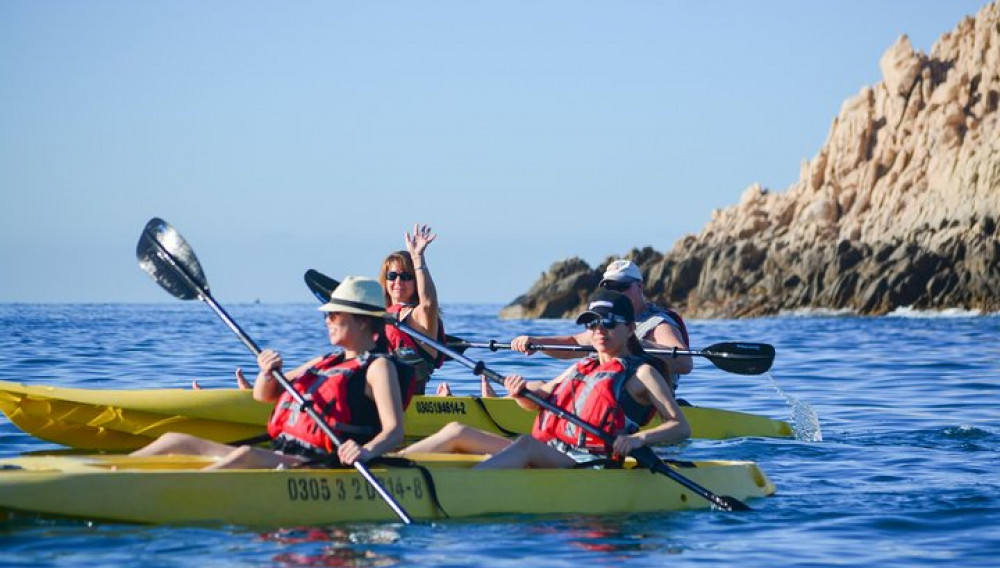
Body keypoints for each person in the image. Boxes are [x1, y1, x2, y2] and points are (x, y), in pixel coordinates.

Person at [131, 277, 406, 470]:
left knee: (247, 455)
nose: (327, 321)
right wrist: (267, 373)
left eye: (333, 315)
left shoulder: (378, 367)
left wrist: (365, 451)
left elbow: (394, 431)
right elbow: (263, 395)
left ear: (361, 321)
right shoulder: (324, 361)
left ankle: (177, 493)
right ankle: (104, 471)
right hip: (285, 453)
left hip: (322, 464)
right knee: (174, 440)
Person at [402, 290, 690, 469]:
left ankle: (464, 489)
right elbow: (542, 399)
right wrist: (521, 393)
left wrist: (638, 439)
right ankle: (388, 465)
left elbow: (680, 427)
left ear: (629, 329)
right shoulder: (584, 366)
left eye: (608, 323)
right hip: (553, 452)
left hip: (588, 464)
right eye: (592, 323)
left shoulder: (643, 373)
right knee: (456, 431)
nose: (598, 330)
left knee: (525, 445)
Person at [510, 259, 693, 392]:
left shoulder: (658, 324)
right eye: (609, 288)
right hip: (603, 389)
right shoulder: (605, 321)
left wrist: (637, 345)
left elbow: (685, 363)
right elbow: (575, 342)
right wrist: (536, 342)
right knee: (536, 386)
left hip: (642, 400)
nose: (615, 293)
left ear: (640, 287)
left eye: (622, 287)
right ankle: (501, 402)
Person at [378, 224, 448, 395]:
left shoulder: (419, 316)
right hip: (376, 398)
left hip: (408, 401)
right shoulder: (378, 316)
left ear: (416, 282)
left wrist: (418, 258)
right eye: (392, 276)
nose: (398, 282)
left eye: (406, 277)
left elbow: (429, 303)